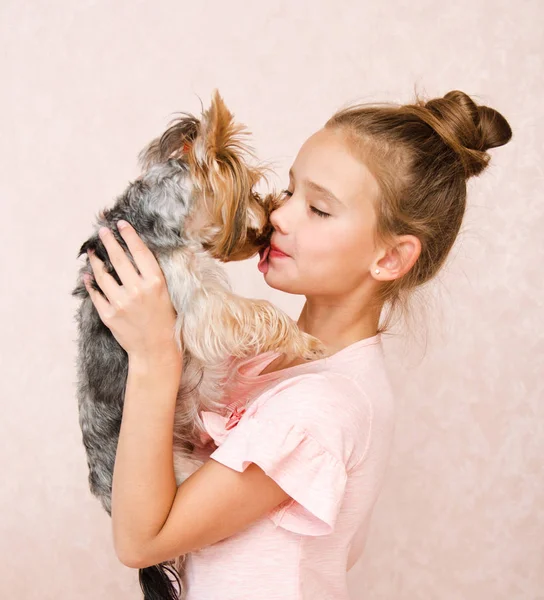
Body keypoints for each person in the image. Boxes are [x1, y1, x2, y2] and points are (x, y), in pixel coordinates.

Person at [87, 89, 512, 599]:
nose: (281, 217)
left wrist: (154, 357)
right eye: (289, 192)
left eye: (319, 209)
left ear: (391, 258)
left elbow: (141, 541)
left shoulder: (322, 406)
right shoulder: (265, 364)